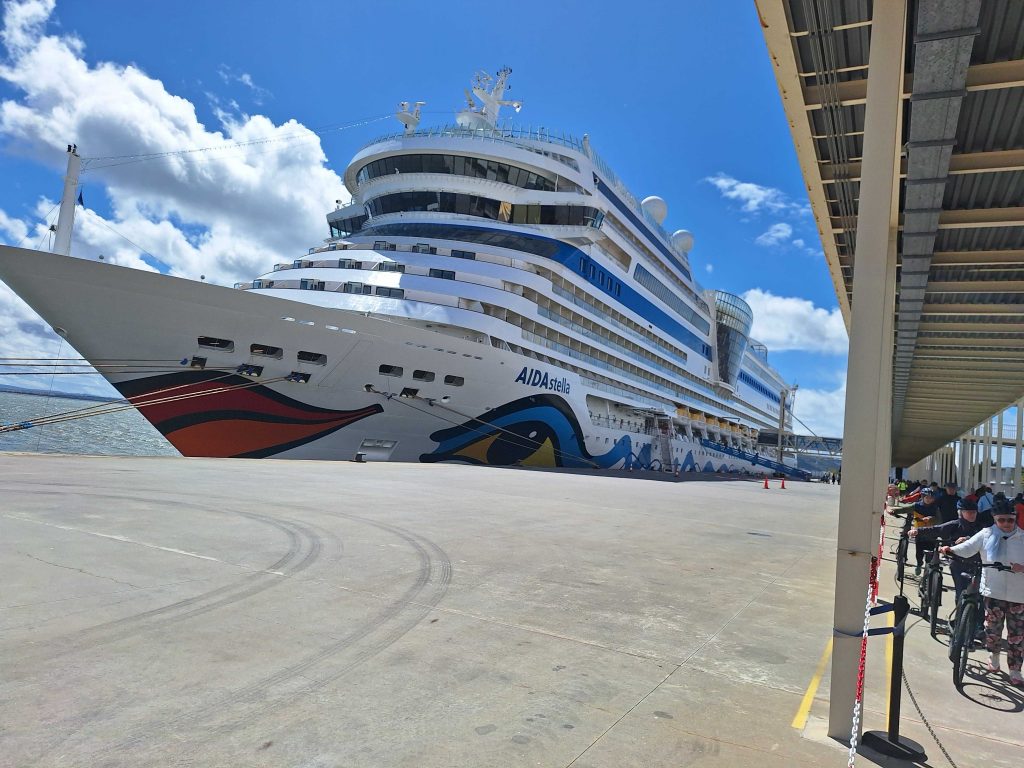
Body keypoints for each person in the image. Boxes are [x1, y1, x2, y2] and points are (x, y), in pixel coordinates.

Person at [941, 499, 1024, 686]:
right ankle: (993, 658)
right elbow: (968, 548)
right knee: (992, 630)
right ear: (995, 519)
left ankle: (1015, 670)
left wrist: (1022, 568)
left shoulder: (1022, 537)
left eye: (1010, 520)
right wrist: (949, 549)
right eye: (1001, 520)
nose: (1006, 524)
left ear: (1015, 519)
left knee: (1017, 635)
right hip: (993, 591)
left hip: (1018, 595)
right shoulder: (986, 534)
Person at [912, 498, 981, 603]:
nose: (972, 515)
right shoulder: (955, 525)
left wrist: (967, 538)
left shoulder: (980, 527)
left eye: (974, 512)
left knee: (979, 595)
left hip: (977, 563)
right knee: (961, 592)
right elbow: (936, 529)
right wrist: (917, 531)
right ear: (961, 513)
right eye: (969, 512)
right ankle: (959, 618)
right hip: (958, 563)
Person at [911, 488, 940, 577]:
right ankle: (919, 564)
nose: (929, 499)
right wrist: (894, 511)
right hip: (919, 533)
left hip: (931, 534)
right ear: (922, 497)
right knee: (919, 552)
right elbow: (905, 509)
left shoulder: (935, 508)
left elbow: (939, 520)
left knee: (930, 555)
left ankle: (927, 574)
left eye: (931, 498)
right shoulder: (917, 505)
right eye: (926, 497)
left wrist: (931, 518)